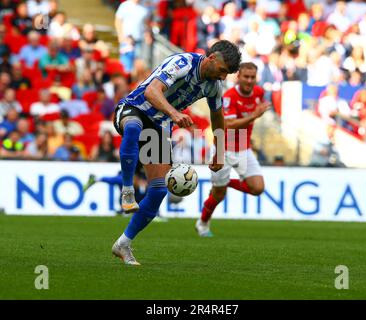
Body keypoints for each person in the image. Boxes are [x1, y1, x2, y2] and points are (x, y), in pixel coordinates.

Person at [111, 40, 241, 265]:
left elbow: (218, 120)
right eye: (222, 71)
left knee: (159, 191)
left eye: (226, 74)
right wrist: (173, 113)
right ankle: (127, 191)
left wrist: (219, 152)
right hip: (135, 108)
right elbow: (152, 91)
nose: (223, 77)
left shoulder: (214, 86)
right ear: (211, 59)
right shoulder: (181, 62)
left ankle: (123, 243)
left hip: (159, 125)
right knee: (133, 127)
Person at [195, 62, 269, 237]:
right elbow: (228, 124)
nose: (249, 80)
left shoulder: (259, 93)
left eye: (253, 77)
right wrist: (253, 116)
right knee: (218, 196)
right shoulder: (228, 96)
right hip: (224, 148)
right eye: (246, 76)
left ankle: (224, 182)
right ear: (239, 77)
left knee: (257, 188)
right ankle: (203, 223)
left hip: (244, 147)